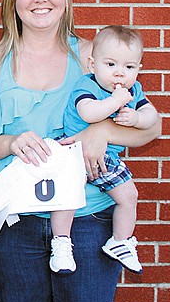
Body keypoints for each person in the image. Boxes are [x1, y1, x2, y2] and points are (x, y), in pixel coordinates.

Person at [0, 0, 161, 302]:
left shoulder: (93, 56)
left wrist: (101, 131)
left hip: (89, 219)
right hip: (16, 220)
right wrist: (8, 143)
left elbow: (151, 128)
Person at [49, 25, 158, 275]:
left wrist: (138, 118)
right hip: (74, 150)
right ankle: (62, 243)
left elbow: (152, 116)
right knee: (68, 197)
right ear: (92, 64)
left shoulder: (134, 91)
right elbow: (89, 112)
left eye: (129, 67)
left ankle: (119, 242)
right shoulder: (86, 86)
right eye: (110, 65)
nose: (119, 74)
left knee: (129, 196)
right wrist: (116, 102)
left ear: (138, 70)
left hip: (105, 156)